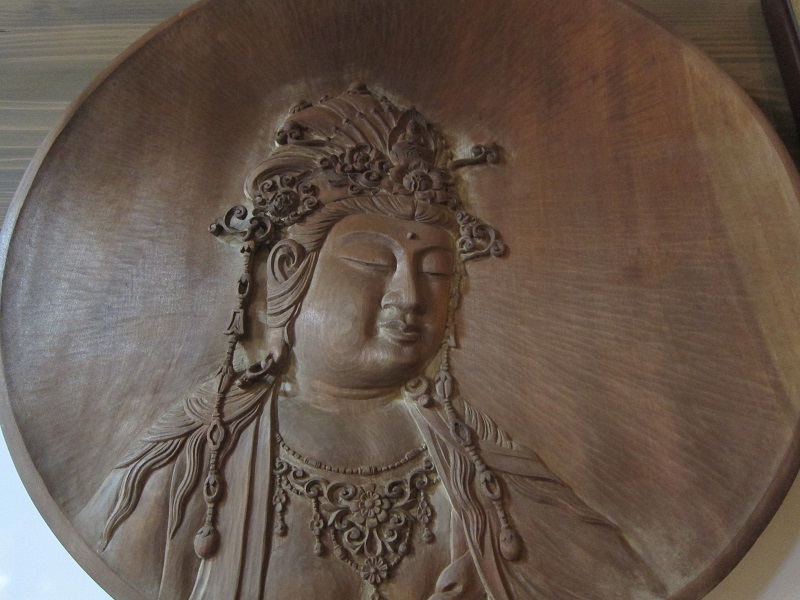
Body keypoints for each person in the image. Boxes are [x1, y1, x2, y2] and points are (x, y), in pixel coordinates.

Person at [77, 84, 666, 600]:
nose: (409, 297)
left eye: (436, 271)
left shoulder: (487, 465)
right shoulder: (191, 461)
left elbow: (625, 583)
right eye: (372, 263)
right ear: (286, 270)